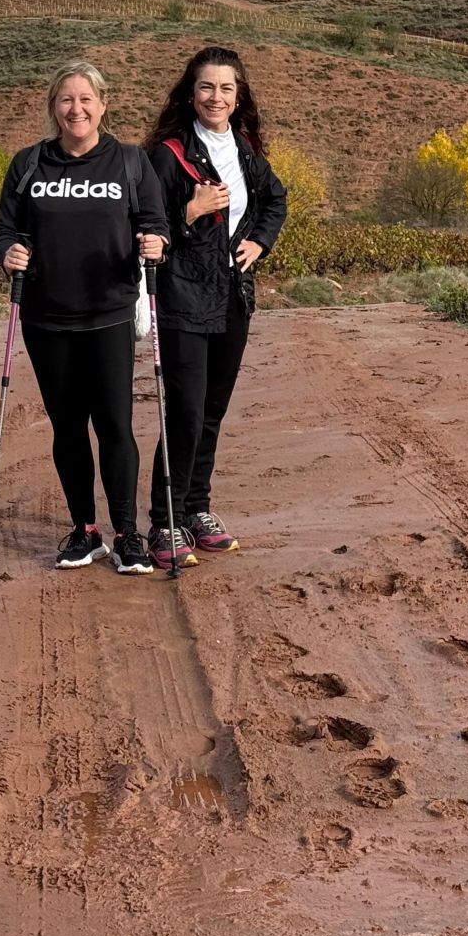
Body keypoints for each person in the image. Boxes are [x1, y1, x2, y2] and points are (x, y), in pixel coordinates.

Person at [0, 59, 169, 573]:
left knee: (115, 425)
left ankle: (127, 535)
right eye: (67, 100)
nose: (77, 109)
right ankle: (85, 531)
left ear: (103, 104)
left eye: (86, 99)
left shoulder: (131, 163)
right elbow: (6, 231)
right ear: (54, 107)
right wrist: (8, 253)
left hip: (109, 314)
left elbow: (157, 224)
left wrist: (156, 242)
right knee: (67, 427)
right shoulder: (29, 164)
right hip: (46, 318)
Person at [142, 47, 289, 569]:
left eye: (227, 88)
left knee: (212, 409)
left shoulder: (245, 148)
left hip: (233, 297)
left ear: (238, 96)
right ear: (190, 93)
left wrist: (260, 243)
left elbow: (276, 198)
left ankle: (196, 508)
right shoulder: (169, 153)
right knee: (184, 410)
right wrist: (190, 210)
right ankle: (165, 520)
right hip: (183, 296)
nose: (216, 97)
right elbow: (146, 224)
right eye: (207, 87)